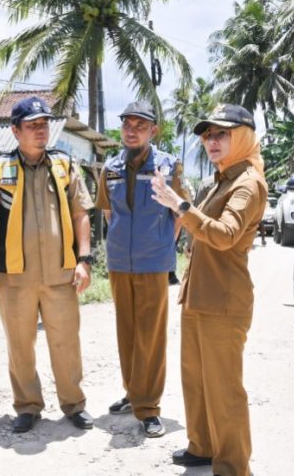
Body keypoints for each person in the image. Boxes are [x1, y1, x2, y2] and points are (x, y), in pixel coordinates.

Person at [151, 104, 267, 476]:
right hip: (198, 294)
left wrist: (181, 206)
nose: (211, 141)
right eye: (207, 135)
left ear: (243, 137)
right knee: (196, 380)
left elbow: (224, 235)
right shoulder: (218, 180)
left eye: (221, 134)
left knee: (224, 390)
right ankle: (202, 446)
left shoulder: (247, 184)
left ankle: (233, 466)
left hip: (224, 300)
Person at [0, 96, 94, 433]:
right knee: (19, 343)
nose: (40, 130)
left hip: (60, 272)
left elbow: (80, 213)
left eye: (44, 124)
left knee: (66, 341)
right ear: (15, 130)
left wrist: (84, 260)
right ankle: (27, 406)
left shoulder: (64, 165)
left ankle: (73, 404)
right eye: (32, 125)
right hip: (14, 276)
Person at [95, 100, 188, 438]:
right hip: (120, 262)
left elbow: (180, 213)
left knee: (151, 335)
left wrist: (164, 244)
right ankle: (132, 392)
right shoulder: (112, 167)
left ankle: (149, 408)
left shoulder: (168, 166)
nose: (131, 130)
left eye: (140, 124)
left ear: (153, 130)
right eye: (127, 124)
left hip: (152, 262)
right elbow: (109, 214)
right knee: (127, 331)